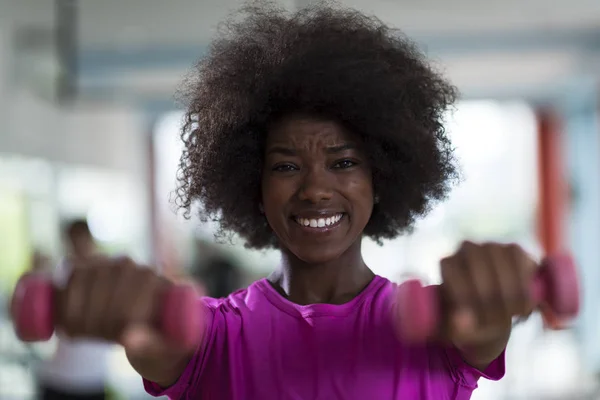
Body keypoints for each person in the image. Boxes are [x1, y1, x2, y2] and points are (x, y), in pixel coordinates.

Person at [21, 3, 542, 399]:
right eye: (287, 166)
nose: (315, 189)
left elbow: (483, 331)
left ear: (382, 178)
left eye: (343, 163)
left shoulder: (437, 323)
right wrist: (123, 307)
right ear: (255, 187)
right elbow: (156, 341)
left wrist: (497, 293)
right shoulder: (211, 336)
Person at [36, 219, 112, 400]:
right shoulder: (61, 272)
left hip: (92, 380)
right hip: (58, 377)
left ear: (90, 239)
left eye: (81, 240)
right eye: (72, 242)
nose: (78, 247)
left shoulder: (107, 273)